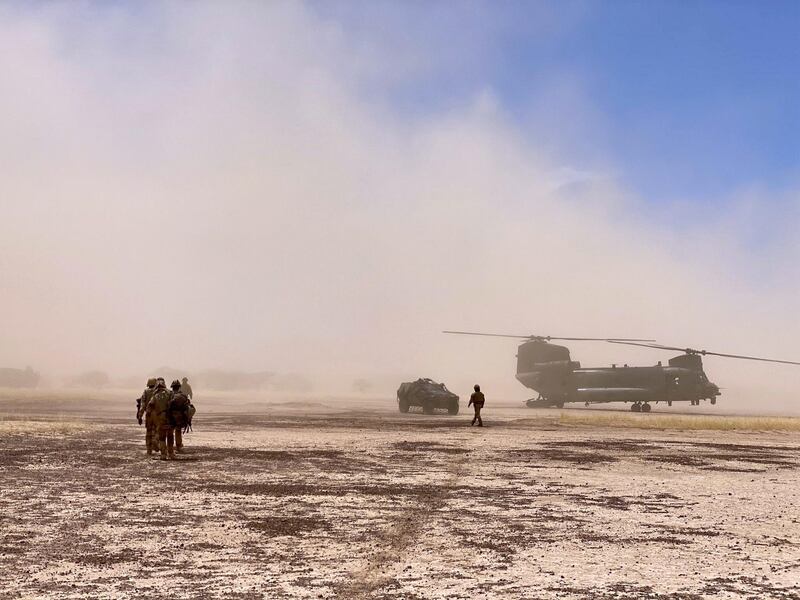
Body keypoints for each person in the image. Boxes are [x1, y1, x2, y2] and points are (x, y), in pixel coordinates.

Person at [149, 378, 175, 460]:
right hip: (170, 417)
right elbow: (174, 403)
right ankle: (171, 453)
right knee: (170, 436)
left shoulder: (155, 395)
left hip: (160, 418)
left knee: (162, 437)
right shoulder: (170, 393)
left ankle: (163, 454)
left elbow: (150, 405)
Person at [169, 380, 191, 453]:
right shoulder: (183, 396)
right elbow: (187, 407)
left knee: (170, 432)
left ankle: (170, 447)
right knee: (178, 431)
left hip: (170, 416)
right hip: (179, 416)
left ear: (172, 387)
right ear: (179, 387)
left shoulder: (169, 395)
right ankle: (178, 446)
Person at [137, 378, 158, 455]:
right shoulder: (158, 392)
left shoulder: (145, 392)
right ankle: (155, 442)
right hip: (157, 415)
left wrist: (140, 416)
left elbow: (142, 405)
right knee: (156, 430)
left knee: (148, 432)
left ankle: (149, 450)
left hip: (148, 414)